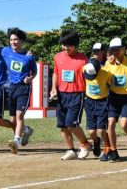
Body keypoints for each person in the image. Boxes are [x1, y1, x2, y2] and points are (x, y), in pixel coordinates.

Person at [50, 29, 91, 160]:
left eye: (69, 45)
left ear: (75, 45)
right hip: (62, 94)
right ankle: (71, 150)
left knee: (71, 123)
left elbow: (90, 78)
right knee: (62, 125)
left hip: (77, 94)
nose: (65, 48)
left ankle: (85, 144)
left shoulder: (84, 59)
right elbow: (56, 73)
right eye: (64, 45)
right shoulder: (57, 57)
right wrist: (53, 88)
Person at [1, 28, 37, 154]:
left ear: (21, 41)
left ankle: (16, 141)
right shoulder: (5, 51)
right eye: (11, 39)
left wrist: (30, 78)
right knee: (13, 121)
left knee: (19, 115)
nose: (13, 42)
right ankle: (26, 130)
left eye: (16, 39)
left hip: (24, 87)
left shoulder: (29, 56)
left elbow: (35, 71)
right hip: (12, 87)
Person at [84, 58, 111, 161]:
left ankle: (107, 148)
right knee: (91, 132)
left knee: (101, 130)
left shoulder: (106, 73)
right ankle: (96, 142)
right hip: (89, 102)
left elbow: (111, 86)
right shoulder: (85, 69)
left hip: (102, 102)